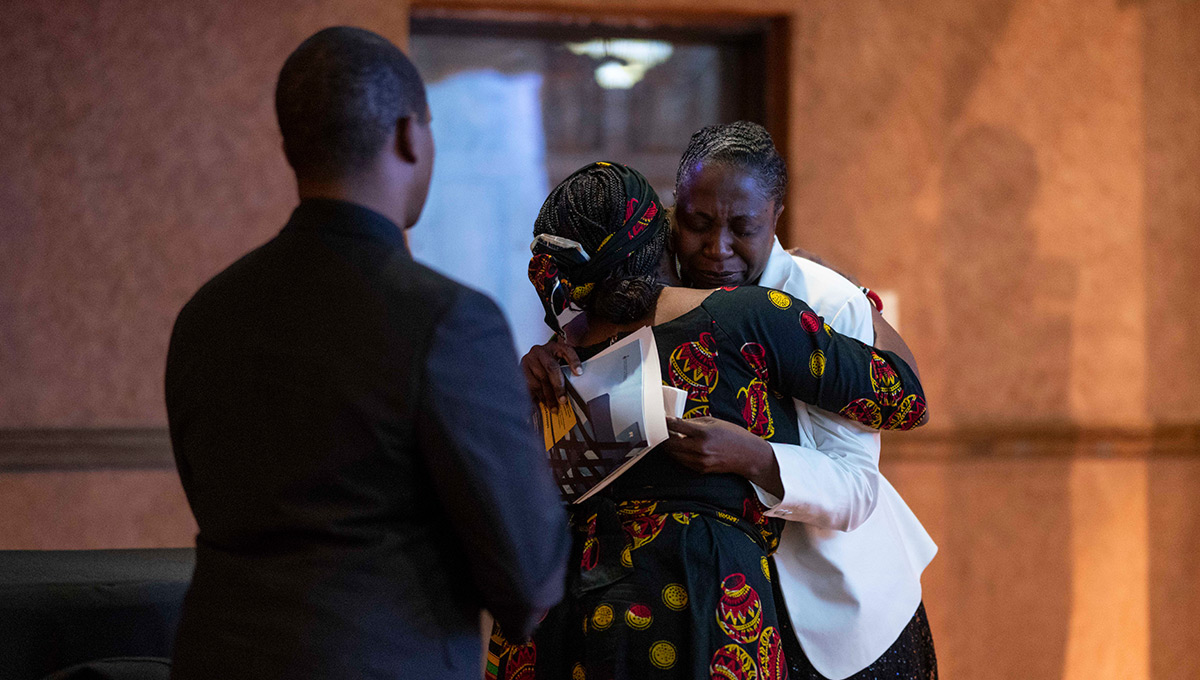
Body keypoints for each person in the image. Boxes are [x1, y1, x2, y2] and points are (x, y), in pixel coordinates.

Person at [164, 27, 568, 680]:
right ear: (411, 134)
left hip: (214, 654)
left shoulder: (205, 314)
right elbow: (528, 578)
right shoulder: (447, 320)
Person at [524, 122, 938, 680]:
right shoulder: (644, 280)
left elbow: (862, 482)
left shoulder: (820, 300)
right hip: (697, 600)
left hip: (832, 605)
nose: (717, 249)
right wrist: (553, 358)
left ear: (776, 217)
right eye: (696, 223)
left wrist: (752, 457)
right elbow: (592, 340)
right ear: (672, 211)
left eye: (744, 228)